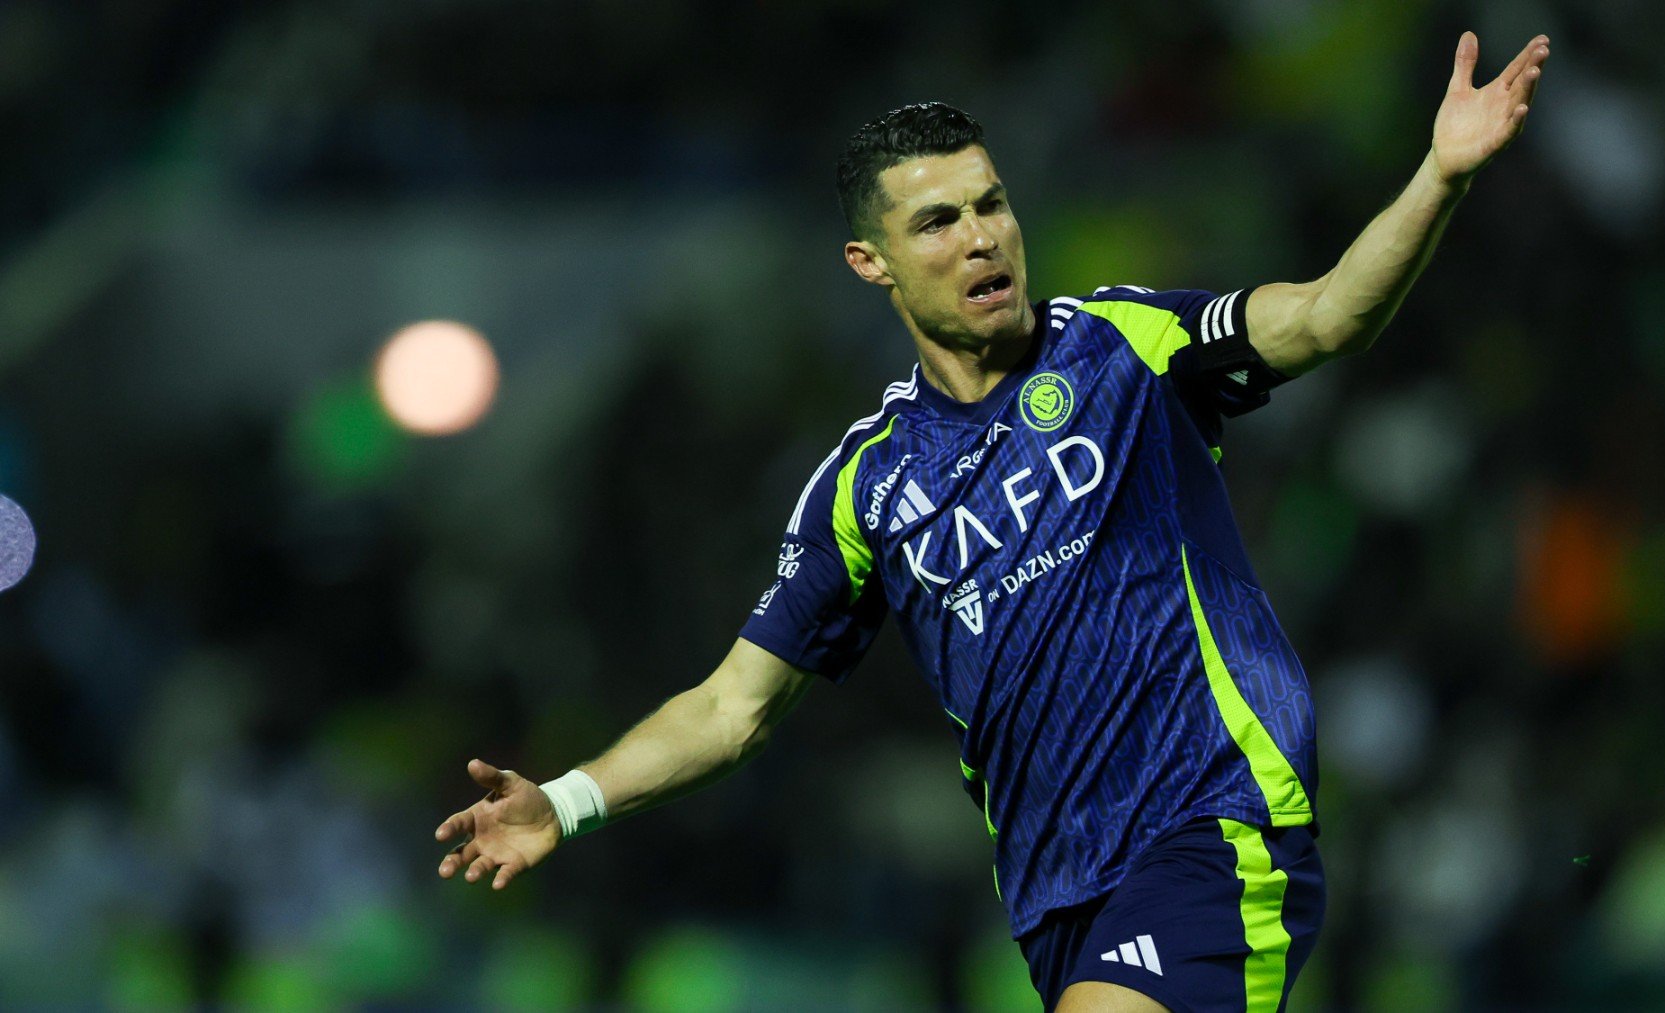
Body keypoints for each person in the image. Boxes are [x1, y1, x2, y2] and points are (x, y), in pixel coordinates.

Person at [434, 32, 1550, 1012]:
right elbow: (733, 706)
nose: (982, 238)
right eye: (937, 221)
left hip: (1214, 828)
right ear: (871, 263)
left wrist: (1438, 177)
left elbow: (1324, 315)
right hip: (1060, 898)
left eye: (991, 203)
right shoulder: (865, 487)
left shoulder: (1127, 347)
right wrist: (568, 801)